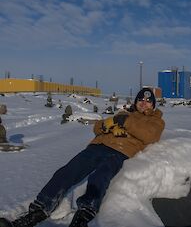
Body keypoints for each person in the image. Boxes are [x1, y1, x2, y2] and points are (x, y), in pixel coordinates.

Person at [0, 88, 165, 227]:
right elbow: (98, 128)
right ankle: (39, 209)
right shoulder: (123, 112)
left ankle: (85, 212)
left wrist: (124, 122)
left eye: (147, 101)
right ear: (136, 102)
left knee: (100, 176)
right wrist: (108, 125)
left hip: (120, 152)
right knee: (67, 171)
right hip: (97, 147)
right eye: (140, 99)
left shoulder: (156, 121)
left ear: (153, 104)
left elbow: (150, 135)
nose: (143, 103)